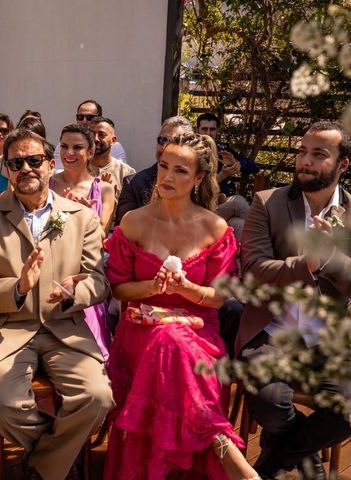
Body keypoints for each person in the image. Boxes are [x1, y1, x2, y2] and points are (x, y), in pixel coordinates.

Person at [104, 134, 260, 480]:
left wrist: (186, 288)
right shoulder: (133, 222)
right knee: (166, 341)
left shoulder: (215, 227)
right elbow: (118, 288)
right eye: (163, 167)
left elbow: (218, 298)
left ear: (199, 178)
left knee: (174, 345)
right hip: (140, 330)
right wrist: (152, 286)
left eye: (180, 170)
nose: (168, 178)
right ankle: (225, 449)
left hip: (199, 332)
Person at [0, 128, 114, 480]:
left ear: (50, 164)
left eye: (34, 160)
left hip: (65, 327)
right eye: (16, 163)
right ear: (7, 170)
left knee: (97, 397)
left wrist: (75, 293)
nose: (26, 168)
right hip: (9, 330)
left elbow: (99, 280)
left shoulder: (83, 218)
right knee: (0, 404)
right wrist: (18, 287)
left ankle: (45, 466)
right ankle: (59, 460)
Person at [238, 121, 351, 479]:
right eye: (302, 151)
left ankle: (274, 459)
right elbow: (253, 270)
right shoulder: (268, 202)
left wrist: (332, 259)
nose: (304, 160)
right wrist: (307, 264)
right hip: (273, 329)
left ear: (343, 164)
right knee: (270, 404)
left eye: (318, 154)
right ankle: (306, 462)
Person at [50, 123, 116, 359]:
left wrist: (85, 217)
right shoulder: (48, 183)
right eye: (64, 146)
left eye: (77, 147)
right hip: (51, 266)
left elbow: (101, 237)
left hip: (84, 271)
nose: (69, 153)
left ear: (90, 152)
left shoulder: (104, 189)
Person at [115, 116, 194, 226]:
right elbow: (121, 228)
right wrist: (151, 210)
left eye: (174, 142)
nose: (165, 147)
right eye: (162, 140)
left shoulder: (196, 182)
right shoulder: (134, 182)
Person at [196, 112, 260, 240]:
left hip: (220, 206)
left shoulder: (222, 150)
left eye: (212, 129)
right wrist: (222, 175)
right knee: (237, 201)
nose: (208, 133)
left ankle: (245, 258)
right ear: (197, 130)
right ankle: (267, 237)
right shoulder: (192, 152)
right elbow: (198, 188)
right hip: (200, 209)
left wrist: (236, 163)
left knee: (240, 225)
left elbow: (254, 167)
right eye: (204, 129)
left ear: (217, 131)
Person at [54, 99, 128, 164]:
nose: (84, 121)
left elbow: (120, 173)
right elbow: (58, 171)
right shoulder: (64, 145)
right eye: (80, 117)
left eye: (90, 117)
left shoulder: (114, 146)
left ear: (99, 118)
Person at [88, 116, 136, 198]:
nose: (95, 139)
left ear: (113, 140)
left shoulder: (126, 173)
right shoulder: (77, 168)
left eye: (101, 135)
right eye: (92, 134)